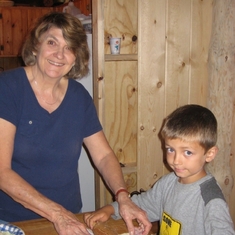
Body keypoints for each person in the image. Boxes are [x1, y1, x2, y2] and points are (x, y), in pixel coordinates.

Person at [0, 12, 151, 235]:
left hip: (70, 217)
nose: (59, 54)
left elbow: (104, 156)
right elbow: (2, 172)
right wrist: (57, 214)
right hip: (15, 222)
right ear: (35, 46)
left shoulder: (79, 96)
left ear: (76, 57)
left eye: (69, 47)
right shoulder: (8, 88)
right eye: (52, 42)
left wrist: (123, 197)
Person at [85, 104, 235, 235]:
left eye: (187, 152)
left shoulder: (211, 199)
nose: (176, 160)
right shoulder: (168, 183)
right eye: (170, 149)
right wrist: (110, 210)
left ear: (209, 154)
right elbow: (142, 204)